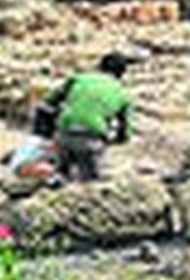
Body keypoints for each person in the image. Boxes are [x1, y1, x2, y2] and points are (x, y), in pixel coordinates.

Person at [42, 52, 133, 183]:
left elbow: (49, 101)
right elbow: (125, 132)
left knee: (61, 173)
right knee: (90, 181)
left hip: (64, 133)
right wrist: (113, 140)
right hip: (91, 139)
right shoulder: (123, 94)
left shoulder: (79, 78)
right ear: (122, 74)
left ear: (100, 67)